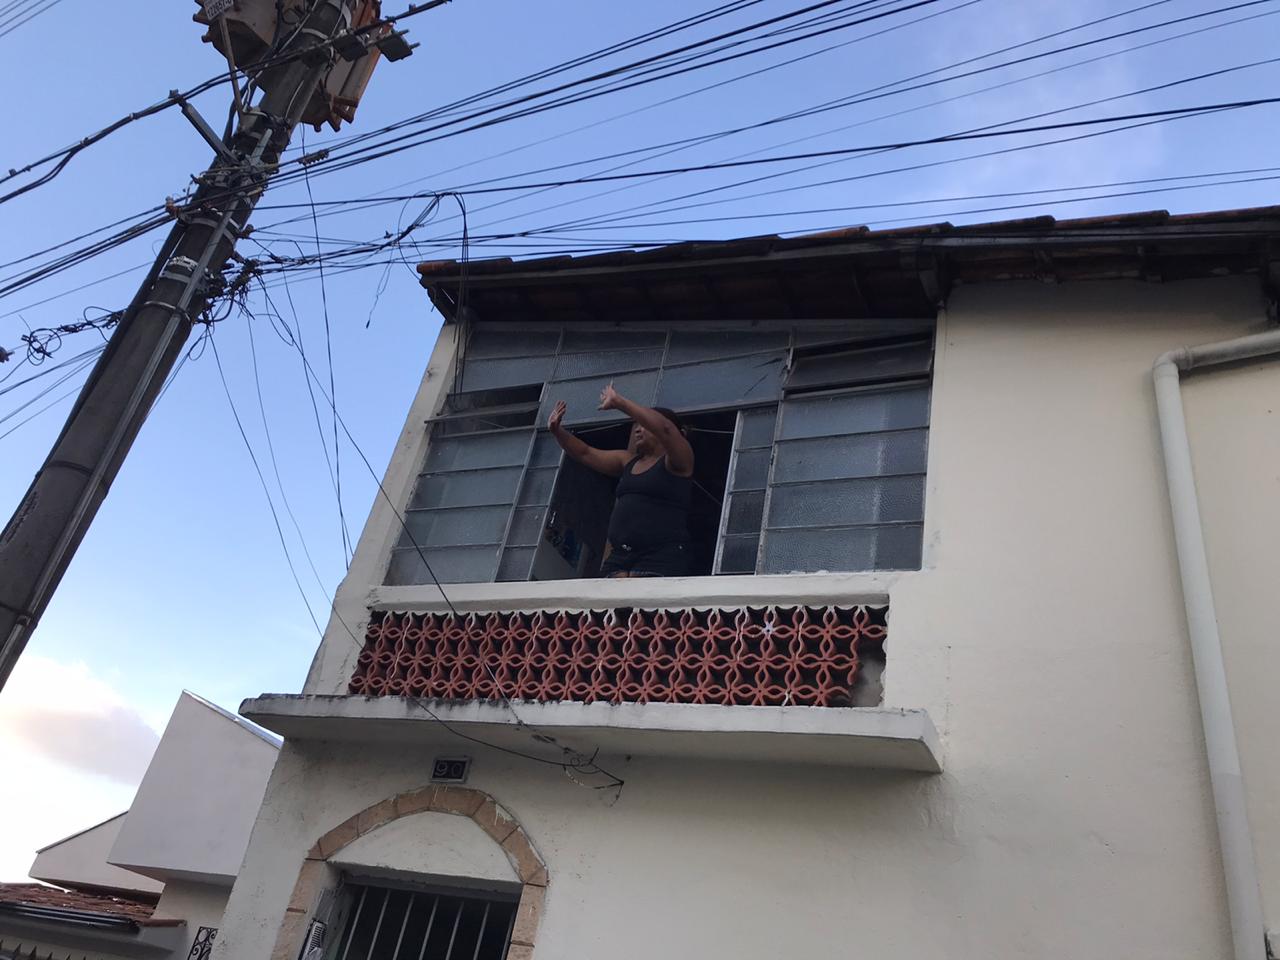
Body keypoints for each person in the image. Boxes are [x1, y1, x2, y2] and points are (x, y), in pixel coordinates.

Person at [548, 382, 694, 578]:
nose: (638, 430)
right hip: (621, 556)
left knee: (643, 598)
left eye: (645, 425)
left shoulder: (679, 462)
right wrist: (558, 431)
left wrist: (620, 402)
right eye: (636, 426)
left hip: (660, 555)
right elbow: (585, 453)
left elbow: (666, 429)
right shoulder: (627, 461)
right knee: (608, 597)